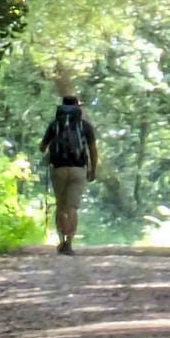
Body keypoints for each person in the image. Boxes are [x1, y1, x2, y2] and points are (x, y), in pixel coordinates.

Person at [39, 94, 98, 256]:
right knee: (72, 207)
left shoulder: (54, 125)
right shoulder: (85, 126)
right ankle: (69, 243)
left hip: (59, 169)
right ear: (77, 107)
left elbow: (42, 148)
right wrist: (93, 169)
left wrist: (51, 148)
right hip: (79, 169)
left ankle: (61, 240)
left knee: (61, 206)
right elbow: (93, 150)